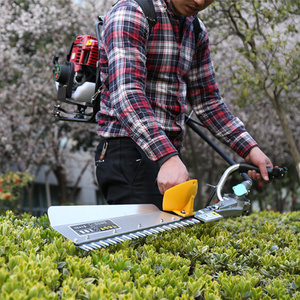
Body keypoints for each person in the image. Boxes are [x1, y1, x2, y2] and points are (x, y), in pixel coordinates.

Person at [95, 0, 273, 209]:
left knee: (171, 238)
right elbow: (126, 94)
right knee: (147, 239)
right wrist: (166, 157)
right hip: (128, 151)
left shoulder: (194, 28)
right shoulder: (131, 13)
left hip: (168, 155)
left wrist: (250, 149)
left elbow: (209, 102)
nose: (199, 1)